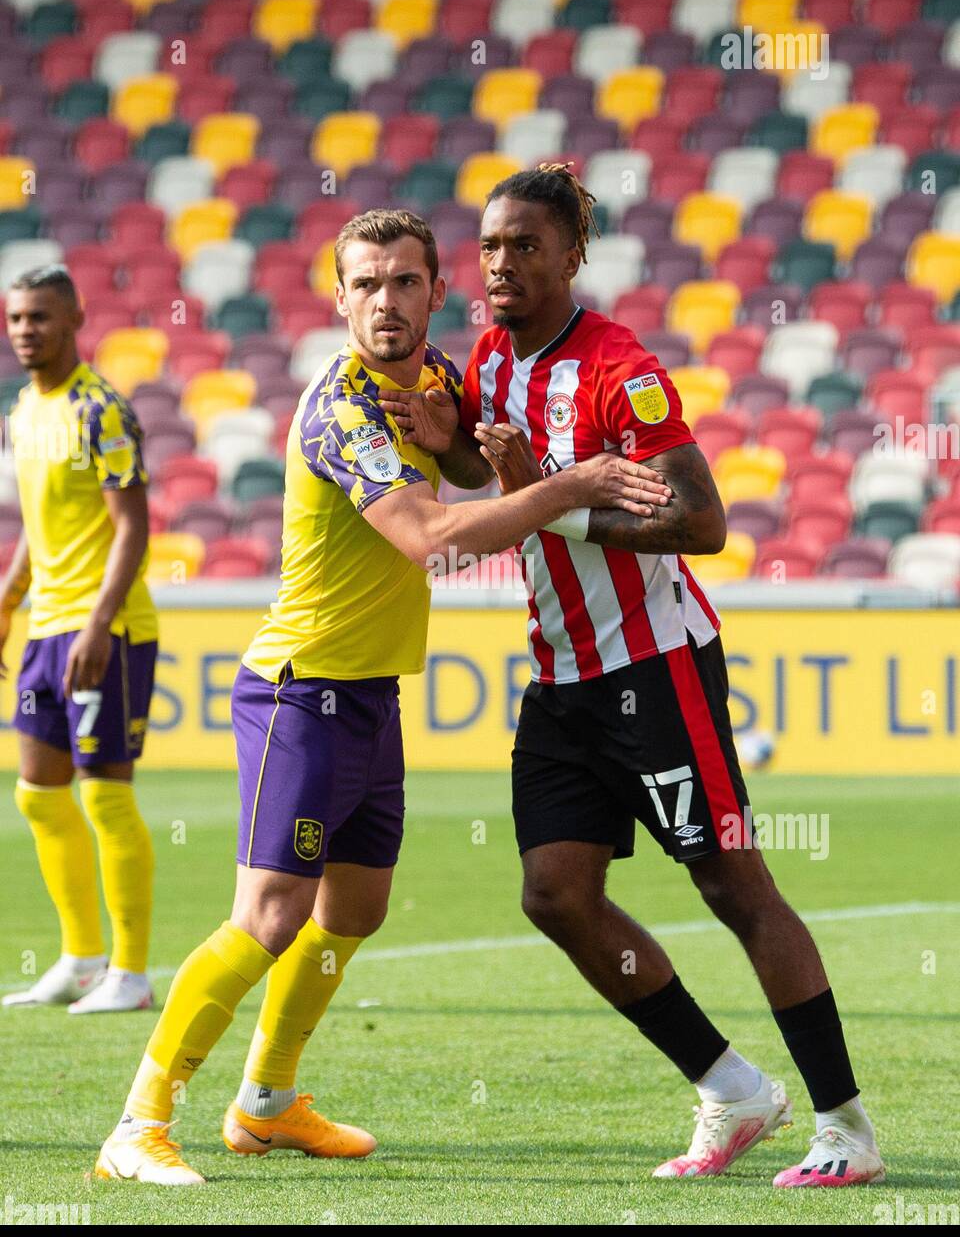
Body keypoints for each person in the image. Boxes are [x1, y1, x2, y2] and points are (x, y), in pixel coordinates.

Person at [93, 208, 667, 1185]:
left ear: (437, 293)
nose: (387, 301)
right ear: (340, 298)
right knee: (269, 917)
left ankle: (266, 1100)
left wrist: (468, 451)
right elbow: (435, 538)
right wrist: (572, 488)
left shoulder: (436, 377)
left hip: (368, 692)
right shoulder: (340, 410)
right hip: (298, 691)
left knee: (353, 910)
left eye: (406, 281)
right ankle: (139, 1121)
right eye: (366, 285)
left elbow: (471, 472)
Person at [380, 166, 885, 1189]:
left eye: (527, 245)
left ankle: (846, 1126)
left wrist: (552, 498)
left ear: (573, 255)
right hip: (560, 675)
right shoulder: (487, 356)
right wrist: (463, 458)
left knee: (734, 885)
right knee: (554, 892)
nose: (503, 265)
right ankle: (732, 1088)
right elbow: (502, 483)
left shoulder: (621, 369)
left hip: (658, 669)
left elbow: (703, 524)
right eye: (489, 247)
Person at [0, 265, 156, 1015]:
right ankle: (79, 956)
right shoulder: (24, 407)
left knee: (105, 799)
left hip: (106, 629)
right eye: (16, 318)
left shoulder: (103, 412)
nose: (26, 329)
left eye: (39, 317)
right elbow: (36, 521)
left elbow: (133, 526)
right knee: (38, 796)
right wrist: (8, 600)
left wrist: (97, 624)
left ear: (74, 319)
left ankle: (129, 973)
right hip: (45, 629)